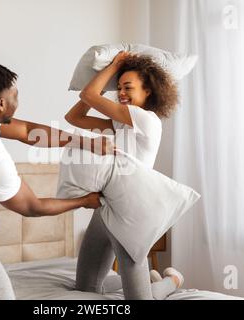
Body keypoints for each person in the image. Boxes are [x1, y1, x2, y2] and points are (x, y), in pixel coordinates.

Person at [0, 64, 113, 300]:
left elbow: (26, 131)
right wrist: (84, 200)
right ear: (1, 104)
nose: (18, 100)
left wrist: (87, 142)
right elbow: (32, 207)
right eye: (15, 95)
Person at [65, 52, 184, 300]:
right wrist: (107, 80)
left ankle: (172, 280)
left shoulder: (146, 119)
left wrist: (115, 65)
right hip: (107, 206)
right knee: (85, 288)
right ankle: (140, 282)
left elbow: (88, 95)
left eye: (127, 87)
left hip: (132, 212)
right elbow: (73, 117)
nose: (120, 92)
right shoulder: (121, 123)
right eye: (118, 87)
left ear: (148, 91)